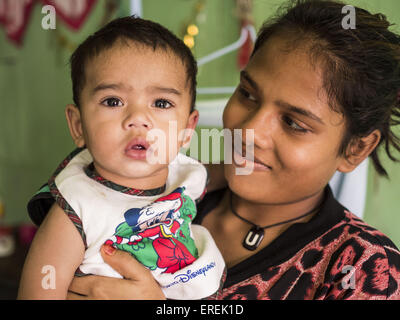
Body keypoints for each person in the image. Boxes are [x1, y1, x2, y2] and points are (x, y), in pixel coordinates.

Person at [26, 0, 400, 300]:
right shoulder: (163, 184)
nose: (249, 131)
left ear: (356, 148)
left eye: (294, 123)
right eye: (248, 94)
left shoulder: (365, 269)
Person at [18, 16, 226, 300]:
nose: (138, 118)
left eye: (161, 103)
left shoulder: (185, 174)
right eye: (113, 101)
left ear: (187, 131)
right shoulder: (76, 210)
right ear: (79, 126)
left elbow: (229, 172)